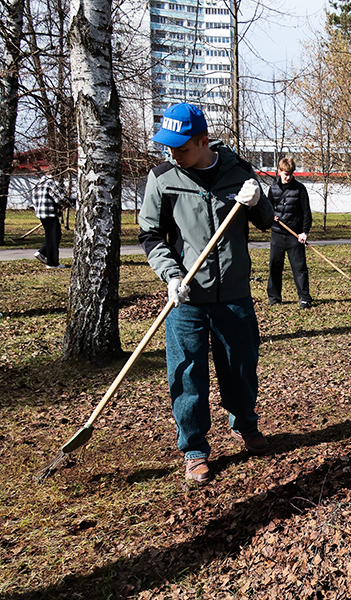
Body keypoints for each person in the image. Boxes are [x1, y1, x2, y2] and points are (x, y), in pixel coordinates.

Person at [138, 103, 275, 483]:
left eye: (181, 148)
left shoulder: (238, 171)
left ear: (203, 141)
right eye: (168, 147)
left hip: (234, 293)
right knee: (187, 375)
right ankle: (194, 448)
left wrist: (258, 200)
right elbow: (150, 235)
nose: (173, 154)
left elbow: (266, 221)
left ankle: (245, 424)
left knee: (241, 367)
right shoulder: (162, 178)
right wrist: (171, 276)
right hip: (187, 297)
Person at [267, 157, 314, 308]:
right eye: (286, 174)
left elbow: (306, 213)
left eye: (291, 174)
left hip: (295, 235)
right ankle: (274, 298)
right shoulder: (273, 188)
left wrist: (304, 232)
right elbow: (267, 209)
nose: (288, 177)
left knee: (299, 268)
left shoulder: (300, 189)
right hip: (277, 234)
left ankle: (304, 298)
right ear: (279, 172)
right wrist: (271, 217)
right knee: (275, 266)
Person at [30, 169, 71, 269]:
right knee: (53, 237)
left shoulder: (39, 183)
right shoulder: (52, 182)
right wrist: (70, 202)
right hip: (50, 213)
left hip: (41, 213)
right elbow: (60, 198)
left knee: (54, 235)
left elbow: (33, 199)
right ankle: (52, 263)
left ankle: (42, 252)